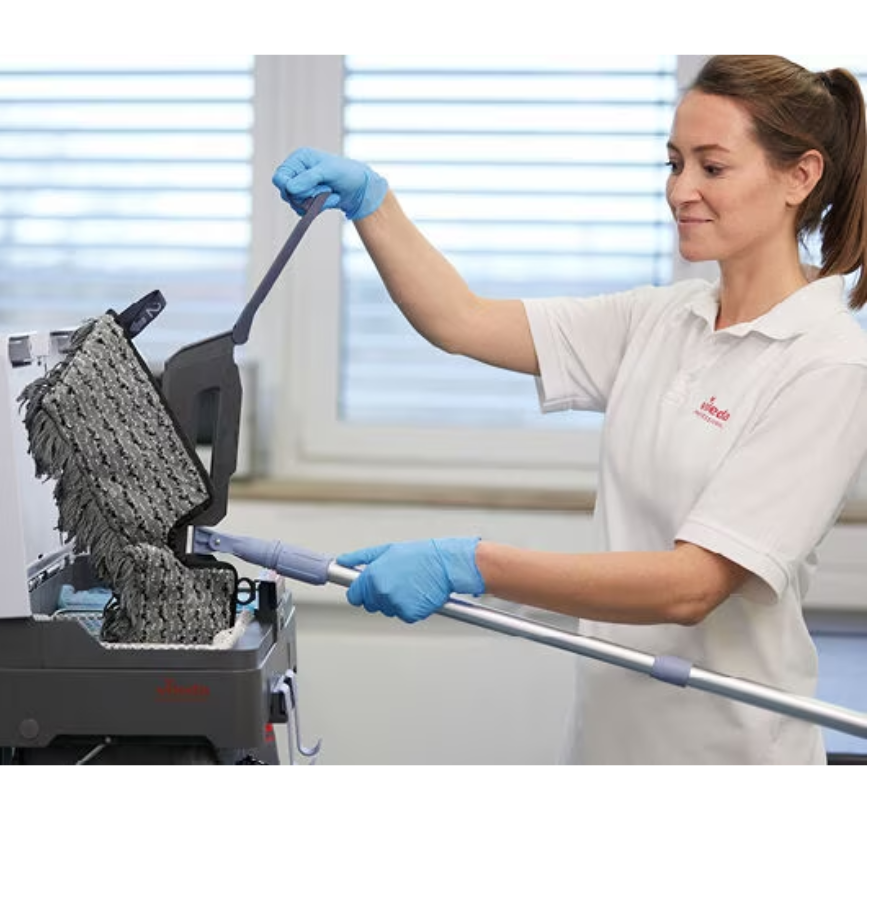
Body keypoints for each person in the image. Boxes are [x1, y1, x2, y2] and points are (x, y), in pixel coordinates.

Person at [271, 54, 868, 767]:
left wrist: (475, 562)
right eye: (674, 163)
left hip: (724, 749)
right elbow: (463, 320)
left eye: (712, 167)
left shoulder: (826, 363)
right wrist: (374, 204)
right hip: (611, 739)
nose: (681, 190)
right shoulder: (664, 318)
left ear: (799, 177)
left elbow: (692, 585)